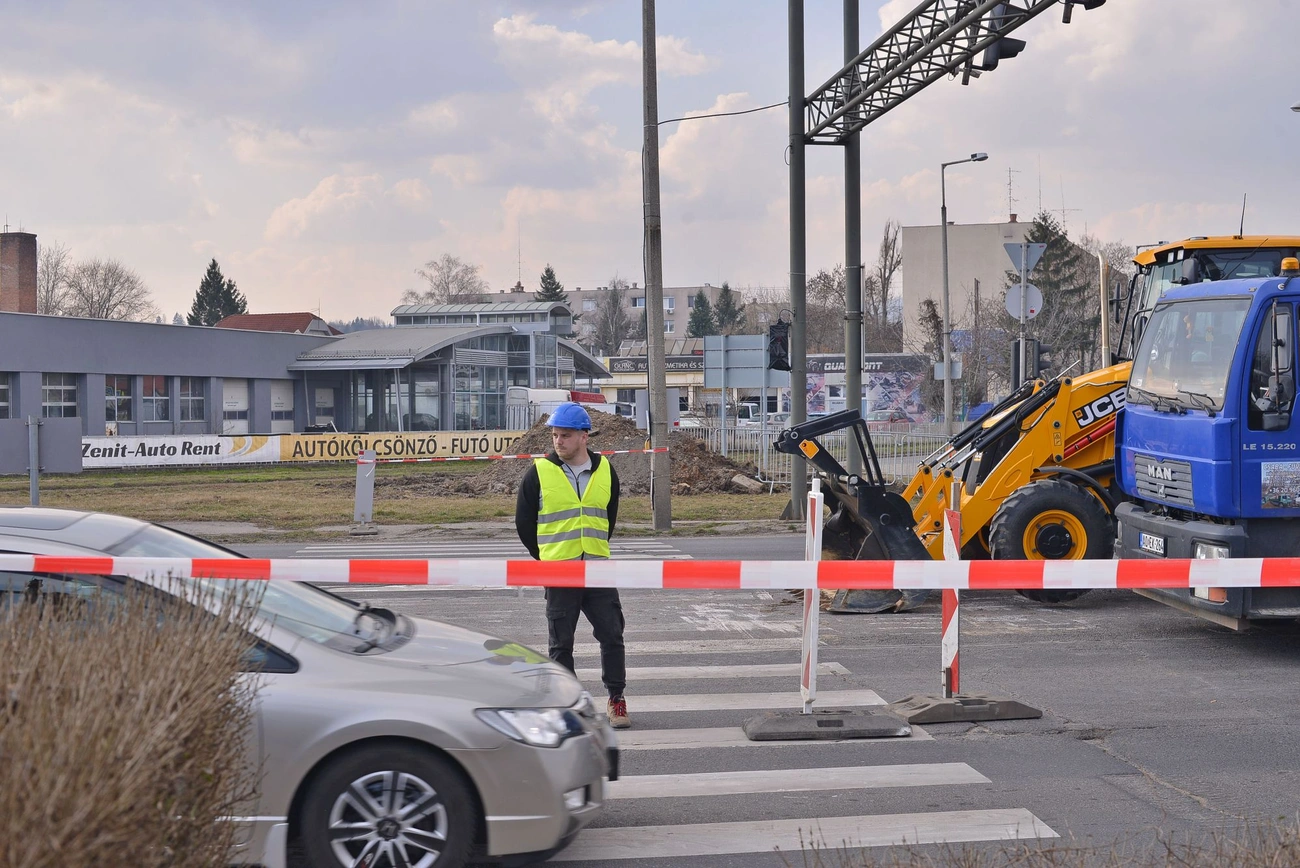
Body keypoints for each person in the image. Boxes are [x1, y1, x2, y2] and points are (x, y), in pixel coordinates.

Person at [515, 403, 630, 729]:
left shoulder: (605, 470)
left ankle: (616, 699)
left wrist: (592, 548)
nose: (558, 441)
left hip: (597, 568)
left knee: (612, 635)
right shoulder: (539, 472)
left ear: (583, 437)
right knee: (560, 643)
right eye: (555, 435)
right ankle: (569, 705)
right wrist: (548, 557)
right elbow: (524, 523)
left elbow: (608, 517)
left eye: (565, 435)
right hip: (559, 570)